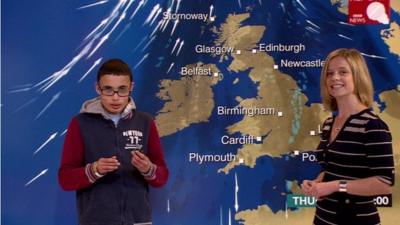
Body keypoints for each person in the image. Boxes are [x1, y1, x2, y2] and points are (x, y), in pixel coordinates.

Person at [58, 58, 169, 225]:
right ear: (98, 88)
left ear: (131, 87)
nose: (115, 98)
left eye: (122, 90)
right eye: (108, 90)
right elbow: (65, 179)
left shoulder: (146, 122)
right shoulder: (80, 123)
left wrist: (148, 169)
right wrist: (94, 170)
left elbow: (162, 177)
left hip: (139, 221)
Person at [301, 48, 395, 225]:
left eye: (342, 72)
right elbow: (334, 169)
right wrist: (318, 184)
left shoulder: (372, 126)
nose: (334, 78)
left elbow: (384, 183)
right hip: (324, 218)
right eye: (329, 73)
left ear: (357, 77)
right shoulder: (329, 123)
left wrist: (335, 186)